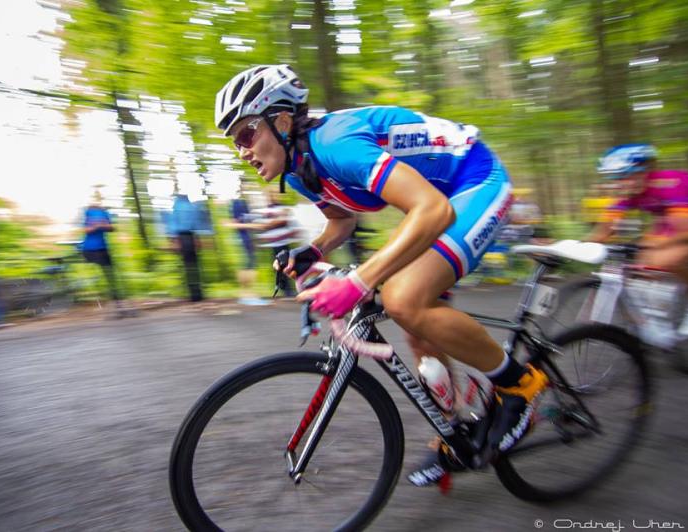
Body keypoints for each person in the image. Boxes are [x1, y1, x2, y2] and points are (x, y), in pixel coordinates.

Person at [214, 64, 549, 487]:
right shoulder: (299, 170)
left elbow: (433, 211)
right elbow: (342, 224)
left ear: (281, 121)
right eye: (234, 141)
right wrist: (313, 251)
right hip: (435, 199)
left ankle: (520, 385)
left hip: (475, 180)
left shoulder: (335, 145)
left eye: (246, 134)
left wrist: (357, 281)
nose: (241, 150)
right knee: (413, 322)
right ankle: (454, 435)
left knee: (404, 298)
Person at [590, 144, 688, 289]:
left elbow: (687, 232)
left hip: (685, 224)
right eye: (613, 178)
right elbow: (604, 229)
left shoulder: (670, 183)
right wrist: (578, 246)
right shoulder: (631, 191)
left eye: (622, 176)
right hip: (669, 221)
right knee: (642, 263)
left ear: (642, 172)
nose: (617, 184)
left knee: (661, 260)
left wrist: (659, 244)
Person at [80, 192, 126, 315]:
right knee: (98, 276)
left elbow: (112, 228)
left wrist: (104, 225)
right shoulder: (86, 212)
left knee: (111, 276)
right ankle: (102, 303)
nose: (96, 202)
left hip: (103, 248)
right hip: (89, 249)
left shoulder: (105, 212)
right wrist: (96, 226)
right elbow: (85, 230)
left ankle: (117, 304)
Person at [166, 193, 208, 302]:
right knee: (194, 265)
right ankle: (198, 294)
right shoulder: (189, 206)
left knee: (188, 266)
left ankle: (193, 294)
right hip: (190, 236)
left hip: (183, 237)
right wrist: (197, 239)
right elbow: (195, 223)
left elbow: (173, 223)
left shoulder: (177, 206)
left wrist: (174, 240)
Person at [228, 192, 267, 306]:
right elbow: (233, 224)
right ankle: (246, 295)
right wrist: (254, 226)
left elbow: (249, 220)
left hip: (249, 239)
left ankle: (248, 295)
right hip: (241, 239)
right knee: (247, 265)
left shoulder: (247, 203)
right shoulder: (237, 203)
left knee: (251, 265)